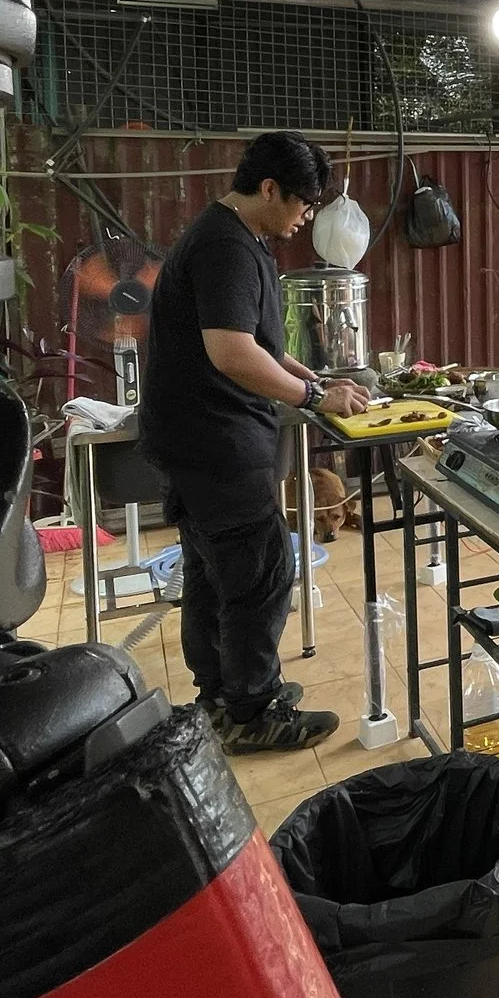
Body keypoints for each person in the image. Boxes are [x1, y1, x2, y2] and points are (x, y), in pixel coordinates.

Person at [139, 131, 372, 753]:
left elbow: (261, 344)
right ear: (267, 188)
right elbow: (231, 352)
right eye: (300, 204)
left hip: (196, 440)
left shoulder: (230, 237)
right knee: (261, 571)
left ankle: (220, 696)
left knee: (212, 575)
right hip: (215, 442)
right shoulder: (226, 247)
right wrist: (316, 399)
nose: (305, 219)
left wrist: (311, 377)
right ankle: (252, 711)